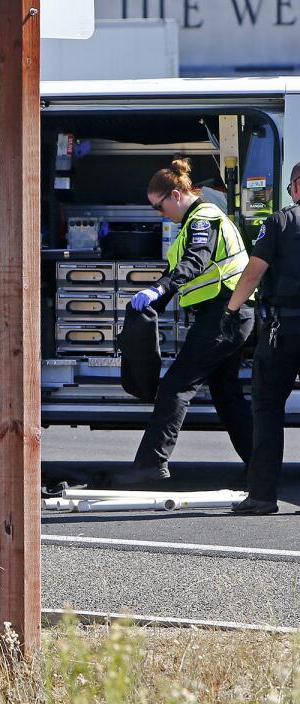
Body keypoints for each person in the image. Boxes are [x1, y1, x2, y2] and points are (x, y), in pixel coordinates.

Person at [111, 158, 255, 486]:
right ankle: (261, 463)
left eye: (159, 208)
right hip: (227, 316)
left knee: (177, 386)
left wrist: (159, 288)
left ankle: (151, 463)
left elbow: (195, 260)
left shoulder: (204, 218)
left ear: (176, 195)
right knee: (226, 393)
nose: (160, 215)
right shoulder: (189, 224)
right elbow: (176, 272)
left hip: (225, 314)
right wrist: (151, 301)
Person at [221, 161, 300, 515]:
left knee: (267, 410)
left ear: (296, 186)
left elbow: (254, 273)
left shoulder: (280, 221)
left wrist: (231, 310)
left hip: (283, 330)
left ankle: (263, 496)